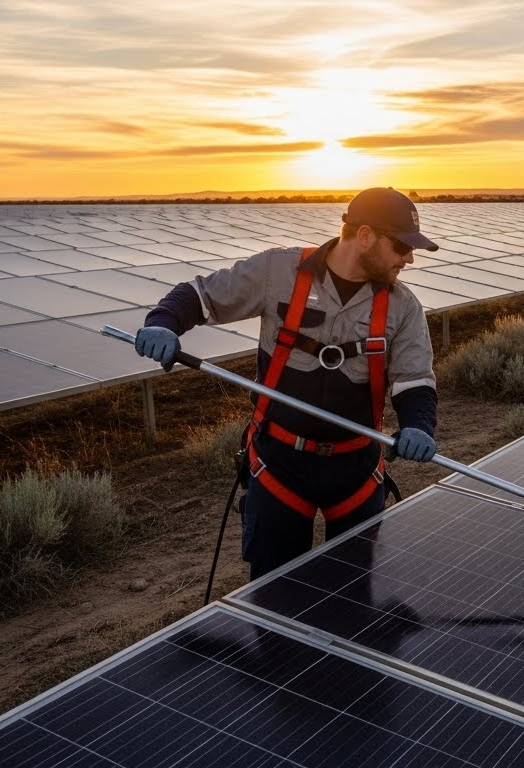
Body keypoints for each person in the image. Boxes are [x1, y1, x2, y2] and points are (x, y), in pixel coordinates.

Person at [133, 187, 440, 580]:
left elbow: (414, 382)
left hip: (356, 471)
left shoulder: (403, 307)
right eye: (401, 246)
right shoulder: (277, 273)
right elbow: (200, 296)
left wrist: (418, 425)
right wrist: (163, 322)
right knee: (273, 593)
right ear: (365, 236)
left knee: (353, 593)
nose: (409, 258)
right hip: (279, 466)